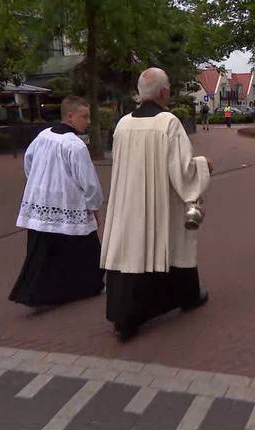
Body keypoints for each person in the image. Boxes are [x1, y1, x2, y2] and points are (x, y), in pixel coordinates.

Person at [101, 68, 213, 341]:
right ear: (164, 92)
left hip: (128, 200)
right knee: (172, 240)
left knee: (131, 249)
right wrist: (203, 166)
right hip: (160, 200)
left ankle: (124, 319)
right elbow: (183, 171)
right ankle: (187, 298)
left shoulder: (123, 124)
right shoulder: (168, 123)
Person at [9, 96, 104, 308]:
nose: (88, 121)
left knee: (44, 251)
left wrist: (38, 183)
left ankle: (40, 293)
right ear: (70, 116)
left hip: (41, 200)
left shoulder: (43, 136)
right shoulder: (75, 145)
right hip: (69, 203)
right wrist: (93, 205)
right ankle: (86, 286)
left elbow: (29, 161)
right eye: (84, 116)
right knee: (84, 248)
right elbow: (88, 181)